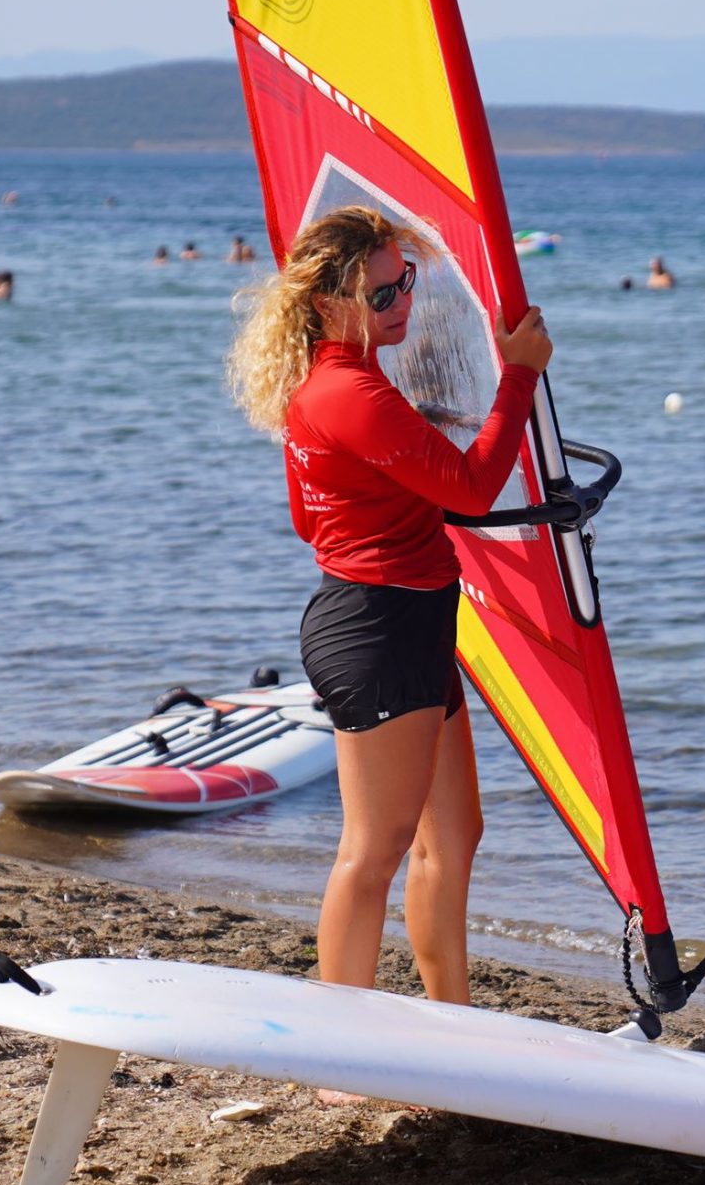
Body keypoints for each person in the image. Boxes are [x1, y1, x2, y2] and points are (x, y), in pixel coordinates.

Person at [226, 206, 551, 1054]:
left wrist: (402, 478)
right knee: (374, 851)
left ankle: (454, 1024)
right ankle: (340, 1051)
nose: (401, 300)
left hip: (402, 614)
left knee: (455, 833)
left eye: (407, 280)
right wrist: (516, 375)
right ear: (333, 298)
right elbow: (475, 491)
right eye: (381, 290)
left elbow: (310, 518)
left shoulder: (339, 381)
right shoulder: (349, 388)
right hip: (377, 627)